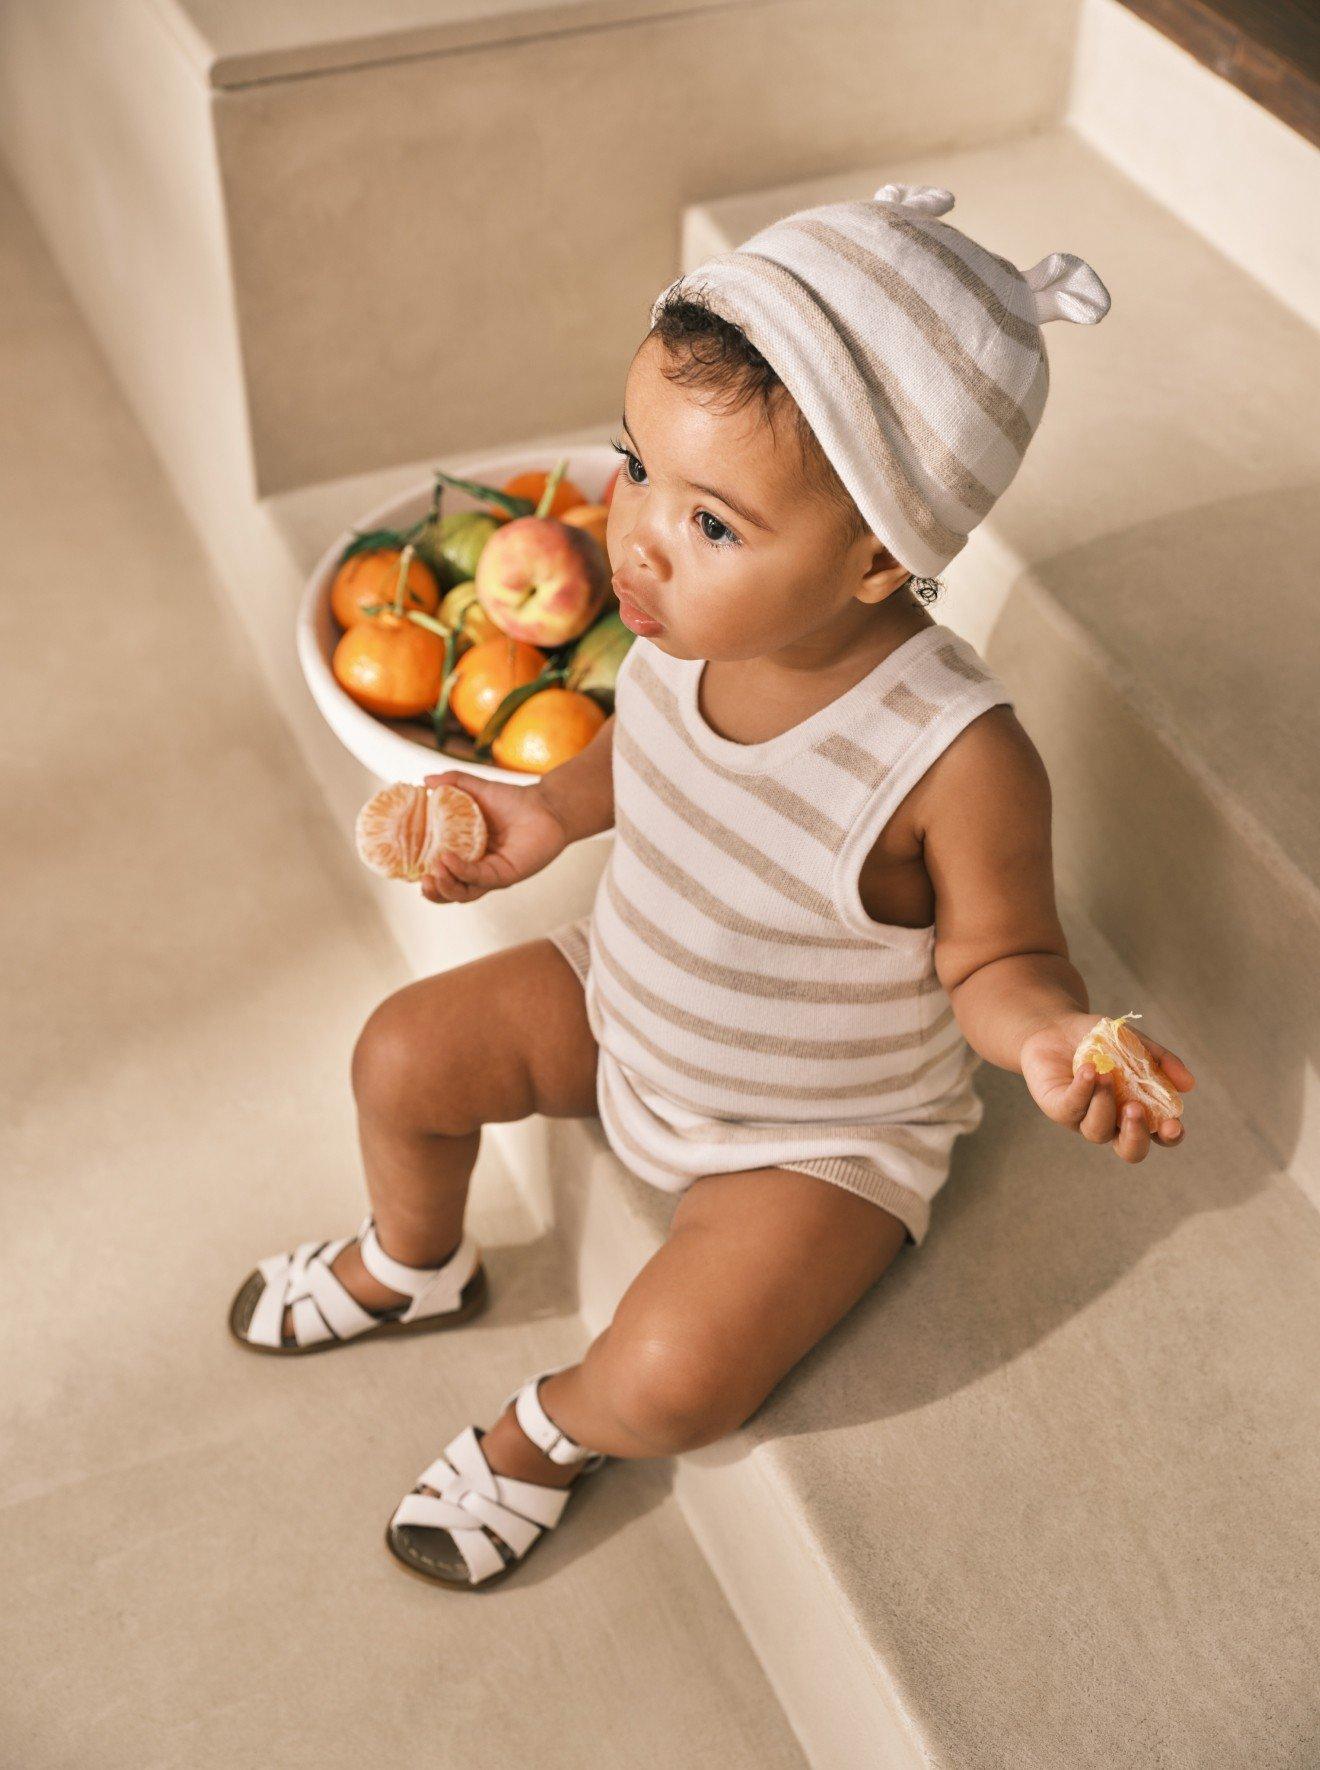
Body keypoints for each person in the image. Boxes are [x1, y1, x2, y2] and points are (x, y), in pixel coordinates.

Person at [229, 183, 1196, 1591]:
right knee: (401, 1053)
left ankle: (553, 1427)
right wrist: (549, 813)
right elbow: (648, 744)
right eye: (636, 467)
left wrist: (1046, 1033)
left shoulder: (954, 758)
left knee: (681, 1374)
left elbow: (993, 960)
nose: (635, 539)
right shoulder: (680, 624)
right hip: (625, 995)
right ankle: (413, 1256)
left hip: (812, 1130)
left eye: (713, 522)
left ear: (880, 557)